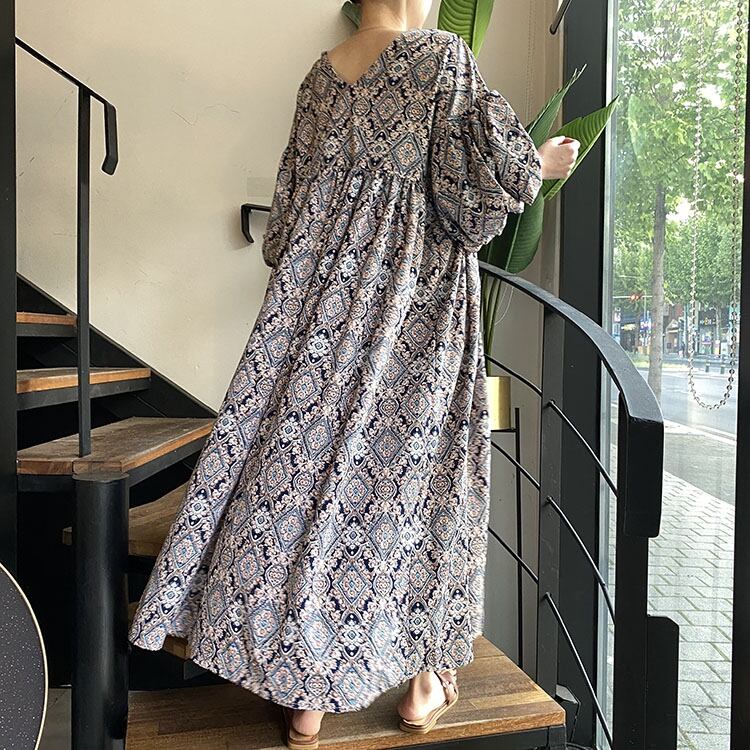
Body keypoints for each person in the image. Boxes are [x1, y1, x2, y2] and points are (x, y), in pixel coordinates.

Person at [128, 1, 579, 747]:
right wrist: (543, 163)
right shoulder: (441, 60)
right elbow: (472, 204)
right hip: (415, 321)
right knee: (418, 486)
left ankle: (304, 694)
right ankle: (424, 682)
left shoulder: (320, 77)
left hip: (314, 317)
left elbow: (285, 227)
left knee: (298, 484)